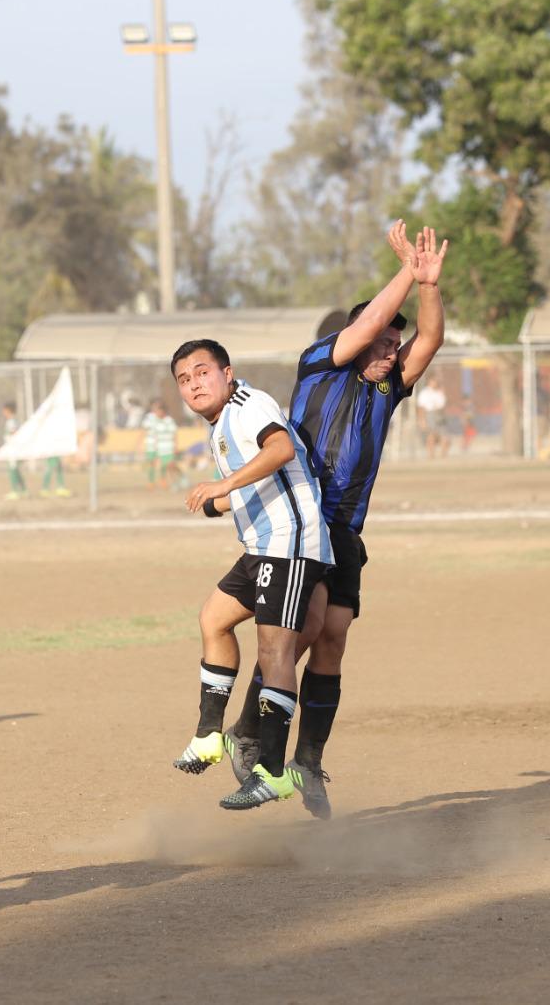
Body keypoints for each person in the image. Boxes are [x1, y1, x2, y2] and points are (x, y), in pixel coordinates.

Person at [223, 221, 448, 819]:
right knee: (305, 627)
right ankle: (249, 729)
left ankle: (308, 759)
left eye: (391, 346)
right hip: (300, 525)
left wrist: (428, 286)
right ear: (350, 340)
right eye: (379, 344)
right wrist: (405, 271)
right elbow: (371, 325)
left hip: (344, 531)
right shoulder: (319, 365)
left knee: (334, 637)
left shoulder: (389, 386)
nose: (389, 350)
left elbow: (429, 340)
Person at [169, 339, 333, 812]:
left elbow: (279, 448)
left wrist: (224, 485)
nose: (194, 384)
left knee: (275, 650)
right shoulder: (220, 425)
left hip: (289, 542)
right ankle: (208, 737)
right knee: (213, 619)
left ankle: (273, 772)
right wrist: (219, 504)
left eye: (202, 372)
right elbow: (259, 477)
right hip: (261, 545)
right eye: (184, 379)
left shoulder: (248, 403)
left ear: (227, 373)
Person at [140, 399, 178, 490]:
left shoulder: (166, 419)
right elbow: (143, 431)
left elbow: (173, 433)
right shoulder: (149, 418)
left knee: (165, 465)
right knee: (151, 464)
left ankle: (165, 481)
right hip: (151, 445)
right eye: (155, 406)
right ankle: (151, 481)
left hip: (161, 445)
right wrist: (140, 444)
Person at [415, 375, 449, 458]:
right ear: (429, 382)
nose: (435, 383)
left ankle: (443, 456)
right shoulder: (424, 393)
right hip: (429, 415)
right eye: (433, 381)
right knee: (431, 436)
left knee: (444, 437)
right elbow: (421, 408)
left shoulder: (439, 392)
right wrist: (421, 420)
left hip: (439, 415)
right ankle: (431, 456)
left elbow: (443, 405)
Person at [1, 402, 30, 499]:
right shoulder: (13, 421)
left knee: (13, 470)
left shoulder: (11, 421)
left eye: (4, 410)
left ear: (8, 410)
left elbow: (14, 432)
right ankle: (24, 490)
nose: (3, 412)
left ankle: (15, 491)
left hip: (13, 448)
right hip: (13, 448)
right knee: (16, 470)